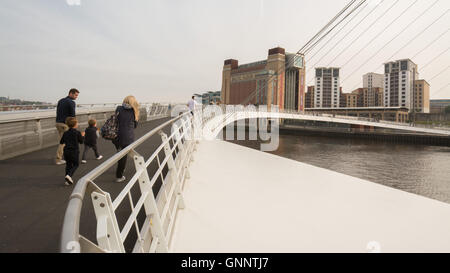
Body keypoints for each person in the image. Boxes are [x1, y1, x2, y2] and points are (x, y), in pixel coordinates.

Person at [114, 95, 139, 183]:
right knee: (123, 156)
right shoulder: (134, 111)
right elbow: (135, 125)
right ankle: (119, 176)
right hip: (128, 137)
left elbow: (115, 120)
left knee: (120, 151)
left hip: (116, 135)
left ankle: (121, 168)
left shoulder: (118, 108)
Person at [55, 88, 79, 165]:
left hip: (58, 123)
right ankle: (58, 159)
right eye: (75, 95)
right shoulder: (71, 102)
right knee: (63, 142)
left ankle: (64, 157)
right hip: (65, 125)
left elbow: (58, 111)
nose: (76, 97)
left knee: (64, 141)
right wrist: (74, 125)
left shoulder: (60, 100)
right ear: (70, 93)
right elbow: (72, 116)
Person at [60, 117, 84, 186]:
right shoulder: (77, 132)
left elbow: (61, 142)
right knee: (76, 164)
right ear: (75, 125)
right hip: (74, 151)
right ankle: (69, 175)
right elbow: (81, 142)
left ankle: (67, 180)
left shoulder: (65, 133)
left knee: (68, 165)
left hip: (66, 151)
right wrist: (82, 136)